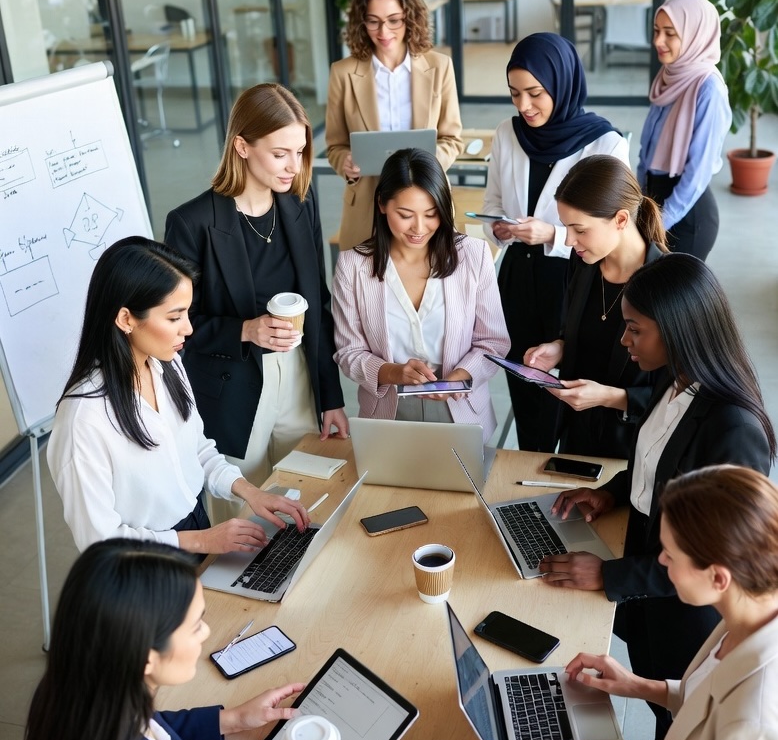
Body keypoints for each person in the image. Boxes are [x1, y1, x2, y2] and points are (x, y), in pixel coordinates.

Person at [539, 252, 775, 740]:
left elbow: (717, 562)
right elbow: (659, 459)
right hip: (649, 607)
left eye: (634, 330)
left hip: (686, 624)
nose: (624, 343)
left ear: (677, 330)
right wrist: (610, 492)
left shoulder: (734, 431)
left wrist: (609, 575)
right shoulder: (674, 378)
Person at [23, 539, 342, 740]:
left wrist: (230, 720)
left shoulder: (73, 688)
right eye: (195, 626)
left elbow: (145, 730)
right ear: (145, 657)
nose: (206, 633)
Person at [561, 465, 778, 740]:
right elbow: (713, 701)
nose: (660, 562)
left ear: (718, 577)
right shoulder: (751, 610)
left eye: (670, 554)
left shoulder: (756, 721)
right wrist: (639, 686)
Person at [47, 237, 309, 556]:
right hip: (145, 562)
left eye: (186, 314)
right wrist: (200, 542)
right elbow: (100, 540)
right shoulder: (84, 420)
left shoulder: (167, 365)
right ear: (126, 319)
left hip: (196, 526)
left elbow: (197, 450)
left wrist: (251, 493)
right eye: (174, 317)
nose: (188, 329)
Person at [165, 83, 347, 508]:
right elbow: (175, 327)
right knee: (245, 521)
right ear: (242, 146)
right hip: (234, 388)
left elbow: (317, 303)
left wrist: (331, 397)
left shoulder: (300, 202)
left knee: (308, 499)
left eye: (299, 152)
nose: (293, 166)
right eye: (280, 153)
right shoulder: (191, 224)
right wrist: (245, 330)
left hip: (299, 379)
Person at [482, 33, 630, 452]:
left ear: (561, 85)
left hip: (575, 278)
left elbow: (613, 230)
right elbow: (493, 203)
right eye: (514, 95)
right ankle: (529, 471)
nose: (524, 106)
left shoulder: (605, 143)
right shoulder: (508, 133)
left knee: (570, 386)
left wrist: (552, 234)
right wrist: (496, 227)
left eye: (535, 93)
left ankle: (569, 475)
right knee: (526, 381)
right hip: (517, 278)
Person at [332, 148, 510, 442]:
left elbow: (493, 341)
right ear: (381, 205)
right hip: (388, 410)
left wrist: (459, 378)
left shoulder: (473, 255)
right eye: (405, 215)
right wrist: (391, 372)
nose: (419, 228)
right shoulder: (353, 265)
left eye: (431, 214)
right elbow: (348, 352)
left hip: (460, 407)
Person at [524, 155, 667, 460]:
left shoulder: (669, 284)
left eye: (580, 229)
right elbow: (583, 329)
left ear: (620, 220)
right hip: (577, 440)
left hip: (635, 451)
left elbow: (682, 392)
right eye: (566, 227)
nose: (570, 239)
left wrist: (611, 398)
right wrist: (560, 347)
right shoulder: (584, 264)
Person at [326, 0, 463, 251]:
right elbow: (335, 146)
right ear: (361, 22)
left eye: (394, 20)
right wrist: (346, 163)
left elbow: (452, 139)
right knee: (367, 285)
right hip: (367, 202)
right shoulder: (342, 73)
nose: (383, 31)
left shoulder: (440, 67)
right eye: (373, 21)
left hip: (425, 200)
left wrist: (430, 160)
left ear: (410, 17)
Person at [638, 0, 731, 259]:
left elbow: (698, 171)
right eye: (656, 31)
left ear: (695, 34)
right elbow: (648, 151)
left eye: (670, 33)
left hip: (686, 218)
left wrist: (661, 222)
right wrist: (642, 207)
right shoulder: (669, 74)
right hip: (654, 206)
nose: (658, 41)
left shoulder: (708, 88)